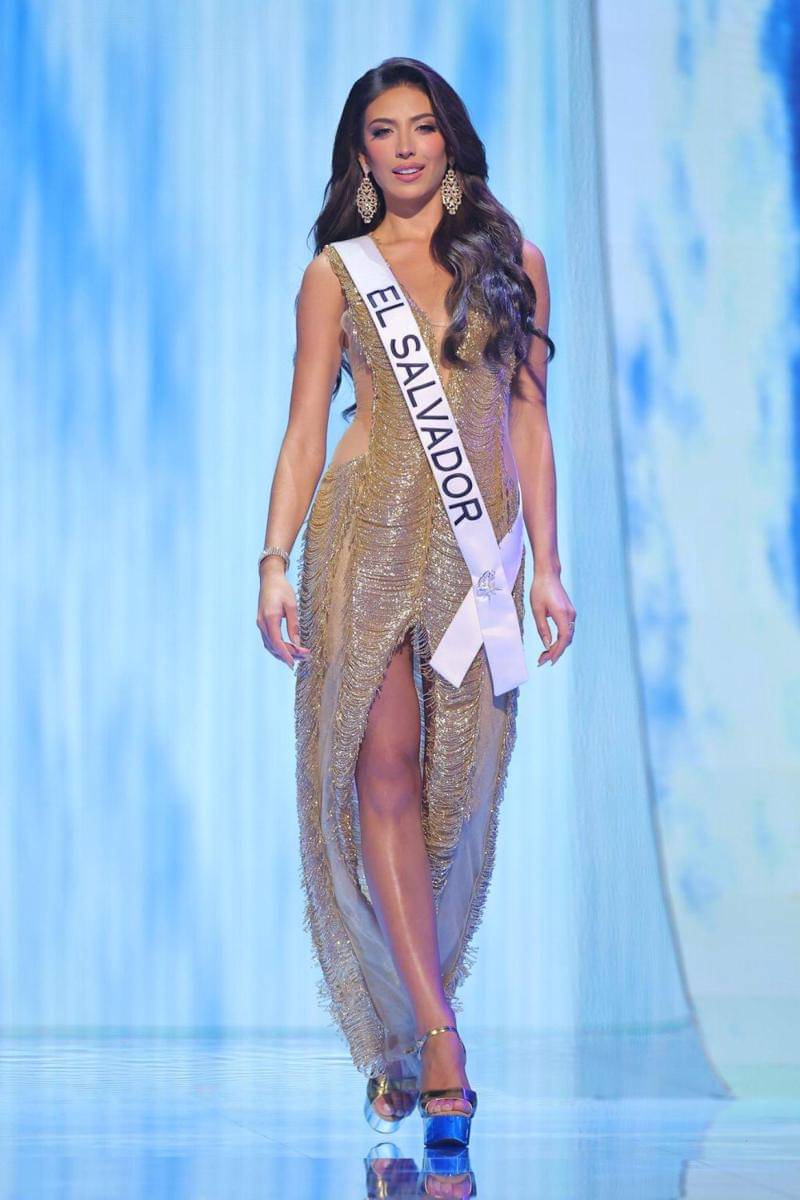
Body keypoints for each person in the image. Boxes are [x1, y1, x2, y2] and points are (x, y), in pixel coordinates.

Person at [256, 57, 576, 1148]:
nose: (404, 147)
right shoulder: (334, 275)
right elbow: (307, 426)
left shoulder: (511, 261)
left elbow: (528, 420)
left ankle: (401, 1027)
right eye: (383, 130)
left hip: (475, 553)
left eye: (422, 127)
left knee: (456, 795)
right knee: (380, 772)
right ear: (360, 153)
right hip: (362, 540)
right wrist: (272, 559)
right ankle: (439, 1042)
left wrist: (548, 566)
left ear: (450, 143)